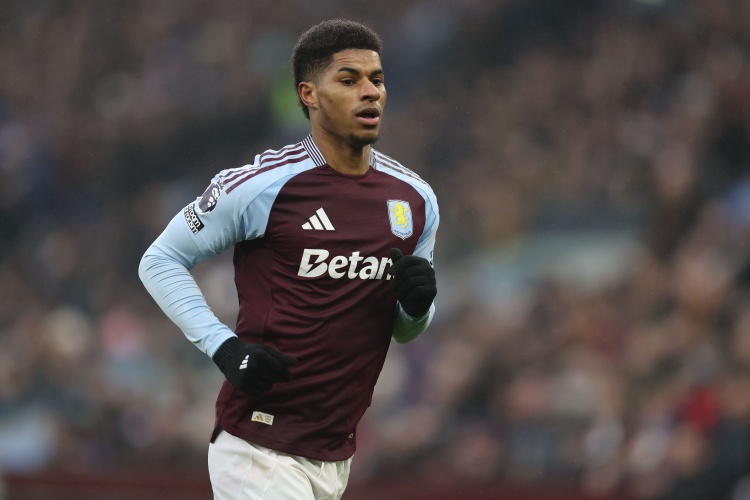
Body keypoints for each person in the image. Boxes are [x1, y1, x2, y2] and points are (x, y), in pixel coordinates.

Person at [139, 18, 439, 499]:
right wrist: (224, 347)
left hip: (334, 454)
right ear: (309, 94)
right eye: (349, 80)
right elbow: (160, 260)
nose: (370, 92)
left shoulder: (415, 199)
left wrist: (418, 306)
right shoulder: (260, 185)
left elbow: (405, 330)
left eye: (377, 79)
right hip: (258, 448)